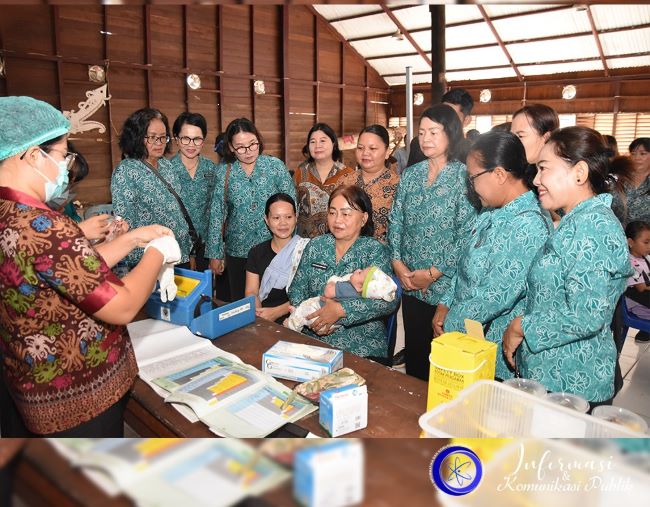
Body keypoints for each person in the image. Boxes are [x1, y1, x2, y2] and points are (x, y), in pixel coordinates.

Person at [0, 96, 180, 437]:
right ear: (33, 155)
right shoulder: (43, 224)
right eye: (63, 154)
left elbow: (70, 272)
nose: (66, 165)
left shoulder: (10, 212)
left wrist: (130, 240)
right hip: (80, 398)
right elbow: (123, 306)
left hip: (35, 386)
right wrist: (158, 251)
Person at [503, 126, 632, 408]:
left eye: (544, 168)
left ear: (579, 173)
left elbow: (588, 316)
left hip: (572, 384)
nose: (536, 179)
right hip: (551, 374)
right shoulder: (576, 220)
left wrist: (522, 326)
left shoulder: (594, 227)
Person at [432, 131, 551, 380]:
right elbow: (465, 262)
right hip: (466, 332)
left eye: (473, 178)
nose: (471, 187)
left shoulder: (528, 226)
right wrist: (445, 303)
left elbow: (494, 296)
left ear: (498, 174)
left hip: (493, 347)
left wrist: (451, 325)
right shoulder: (490, 212)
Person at [388, 104, 478, 380]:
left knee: (442, 360)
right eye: (422, 132)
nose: (426, 139)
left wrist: (433, 274)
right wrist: (397, 263)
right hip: (410, 281)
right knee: (415, 354)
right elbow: (396, 219)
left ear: (451, 134)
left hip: (445, 285)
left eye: (434, 132)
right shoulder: (412, 174)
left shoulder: (465, 177)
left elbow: (467, 234)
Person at [288, 185, 398, 359]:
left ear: (363, 219)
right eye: (332, 213)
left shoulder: (374, 251)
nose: (337, 220)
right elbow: (296, 291)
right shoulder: (316, 246)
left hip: (361, 345)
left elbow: (388, 301)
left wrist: (341, 310)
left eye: (346, 214)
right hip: (313, 338)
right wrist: (314, 320)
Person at [206, 118, 296, 301]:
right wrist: (215, 254)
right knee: (242, 303)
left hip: (273, 247)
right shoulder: (224, 171)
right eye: (240, 147)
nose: (248, 152)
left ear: (259, 141)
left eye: (252, 144)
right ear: (230, 147)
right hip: (238, 249)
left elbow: (292, 204)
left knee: (274, 302)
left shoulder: (275, 166)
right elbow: (217, 213)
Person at [111, 108, 192, 267]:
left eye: (163, 137)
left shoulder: (167, 166)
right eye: (153, 138)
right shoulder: (126, 171)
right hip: (149, 259)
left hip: (178, 253)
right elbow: (124, 222)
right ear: (137, 138)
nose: (159, 143)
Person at [245, 193, 308, 325]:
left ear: (296, 218)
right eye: (276, 218)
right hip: (262, 318)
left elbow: (310, 294)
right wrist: (258, 313)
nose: (283, 223)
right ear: (266, 220)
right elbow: (251, 291)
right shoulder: (256, 252)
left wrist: (274, 313)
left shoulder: (307, 251)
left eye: (288, 217)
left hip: (297, 321)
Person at [170, 112, 218, 271]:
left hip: (204, 248)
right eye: (185, 138)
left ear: (203, 140)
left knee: (204, 293)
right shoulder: (166, 170)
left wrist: (215, 251)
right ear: (176, 139)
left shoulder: (211, 168)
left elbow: (216, 211)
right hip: (174, 247)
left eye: (197, 139)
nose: (191, 144)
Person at [287, 265, 397, 332]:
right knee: (305, 309)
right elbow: (297, 287)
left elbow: (328, 291)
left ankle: (292, 324)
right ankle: (297, 315)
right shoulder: (315, 245)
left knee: (305, 308)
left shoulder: (346, 287)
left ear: (360, 288)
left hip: (319, 315)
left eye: (360, 273)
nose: (357, 270)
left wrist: (333, 280)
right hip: (332, 325)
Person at [338, 124, 400, 243]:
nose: (365, 153)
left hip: (383, 256)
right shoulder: (344, 182)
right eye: (360, 148)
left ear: (387, 152)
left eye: (372, 148)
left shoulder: (399, 185)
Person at [293, 123, 354, 238]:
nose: (317, 145)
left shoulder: (348, 175)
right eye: (312, 142)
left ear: (334, 143)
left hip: (339, 241)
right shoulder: (300, 173)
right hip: (305, 242)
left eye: (322, 140)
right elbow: (292, 208)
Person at [406, 87, 474, 167]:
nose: (444, 121)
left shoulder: (472, 152)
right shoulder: (419, 144)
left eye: (451, 116)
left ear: (466, 121)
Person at [624, 220, 650, 342]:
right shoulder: (630, 263)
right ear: (630, 242)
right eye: (646, 242)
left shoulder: (645, 258)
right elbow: (641, 288)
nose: (649, 246)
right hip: (637, 304)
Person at [616, 138, 650, 226]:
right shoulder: (620, 177)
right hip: (617, 233)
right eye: (633, 154)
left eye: (643, 154)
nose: (637, 158)